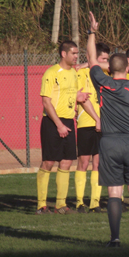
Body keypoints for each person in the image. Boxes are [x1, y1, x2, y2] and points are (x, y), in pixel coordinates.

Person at [87, 12, 129, 248]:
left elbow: (91, 60)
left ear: (109, 69)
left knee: (114, 192)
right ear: (128, 65)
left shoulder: (103, 83)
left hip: (109, 144)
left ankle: (115, 240)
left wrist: (92, 32)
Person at [36, 40, 89, 215]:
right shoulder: (51, 73)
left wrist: (78, 97)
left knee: (66, 162)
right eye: (73, 53)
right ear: (63, 54)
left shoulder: (74, 73)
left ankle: (60, 205)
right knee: (49, 162)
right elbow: (46, 102)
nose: (76, 57)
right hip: (53, 122)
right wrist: (58, 124)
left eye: (77, 53)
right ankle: (41, 205)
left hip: (68, 121)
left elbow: (70, 96)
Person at [75, 43, 110, 213]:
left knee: (98, 163)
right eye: (102, 58)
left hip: (103, 124)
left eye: (106, 59)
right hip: (86, 123)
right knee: (83, 162)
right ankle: (80, 202)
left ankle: (95, 203)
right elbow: (83, 99)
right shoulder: (80, 73)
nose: (105, 62)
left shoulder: (105, 73)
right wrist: (97, 119)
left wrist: (91, 63)